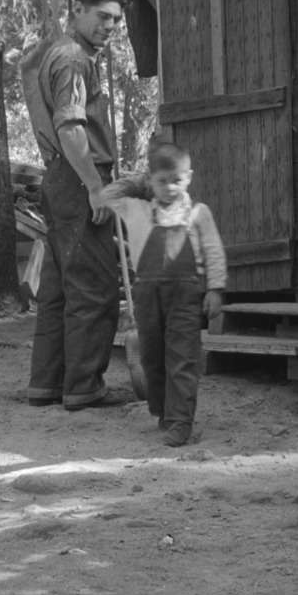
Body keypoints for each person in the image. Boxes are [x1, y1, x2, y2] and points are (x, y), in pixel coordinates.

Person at [17, 0, 128, 409]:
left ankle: (46, 385)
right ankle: (84, 387)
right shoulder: (73, 58)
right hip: (79, 178)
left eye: (115, 20)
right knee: (95, 288)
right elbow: (70, 128)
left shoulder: (56, 52)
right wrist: (96, 189)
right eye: (101, 16)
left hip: (60, 179)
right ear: (77, 10)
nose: (109, 27)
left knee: (58, 290)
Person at [102, 142, 225, 447]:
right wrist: (142, 182)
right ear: (151, 180)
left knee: (182, 357)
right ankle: (163, 411)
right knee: (152, 357)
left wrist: (215, 289)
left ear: (189, 178)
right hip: (146, 295)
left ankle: (182, 420)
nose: (170, 188)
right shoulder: (137, 210)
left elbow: (213, 251)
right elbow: (107, 195)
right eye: (162, 181)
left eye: (177, 180)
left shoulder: (198, 213)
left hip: (185, 296)